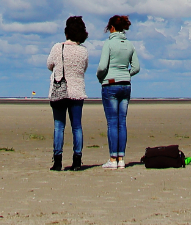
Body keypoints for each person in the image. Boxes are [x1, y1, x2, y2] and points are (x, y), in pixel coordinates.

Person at [96, 15, 140, 170]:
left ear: (112, 28)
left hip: (111, 84)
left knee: (112, 123)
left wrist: (101, 78)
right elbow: (136, 67)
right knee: (122, 122)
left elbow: (102, 67)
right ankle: (121, 158)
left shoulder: (108, 44)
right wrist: (126, 74)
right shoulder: (130, 45)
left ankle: (113, 158)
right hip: (126, 85)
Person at [46, 15, 89, 171]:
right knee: (77, 126)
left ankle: (57, 161)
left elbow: (49, 64)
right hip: (77, 91)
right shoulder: (83, 51)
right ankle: (77, 161)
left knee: (59, 126)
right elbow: (83, 69)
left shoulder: (57, 47)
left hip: (59, 91)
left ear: (66, 32)